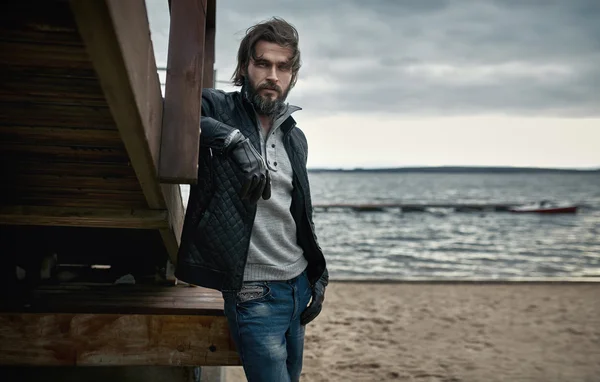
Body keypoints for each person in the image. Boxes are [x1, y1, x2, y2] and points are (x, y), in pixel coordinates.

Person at [175, 17, 328, 382]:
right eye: (263, 63)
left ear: (293, 74)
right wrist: (232, 142)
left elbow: (299, 213)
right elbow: (175, 113)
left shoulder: (295, 136)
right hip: (252, 293)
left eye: (283, 66)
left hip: (297, 283)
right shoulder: (216, 107)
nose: (272, 75)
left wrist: (318, 274)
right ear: (246, 66)